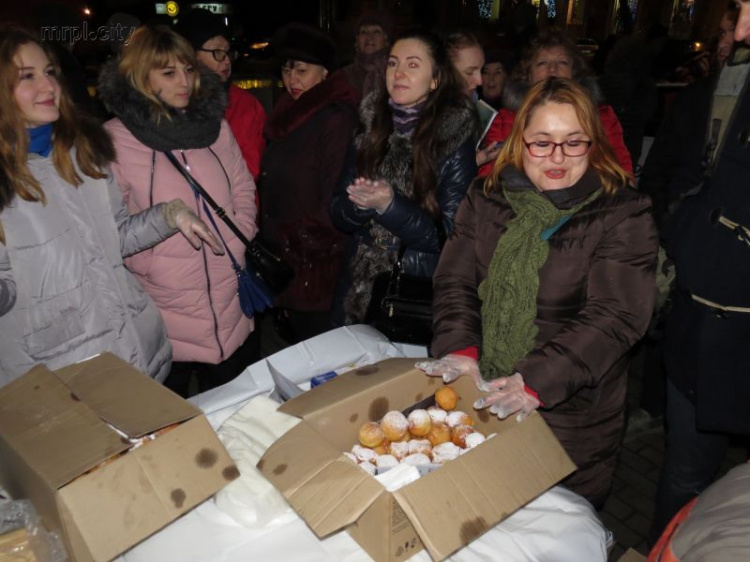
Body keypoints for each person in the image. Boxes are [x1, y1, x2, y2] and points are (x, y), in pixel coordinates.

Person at [417, 77, 658, 509]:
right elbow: (455, 282)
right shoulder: (485, 196)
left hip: (568, 417)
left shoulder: (622, 212)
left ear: (593, 142)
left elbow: (617, 315)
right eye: (542, 142)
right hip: (481, 394)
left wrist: (535, 380)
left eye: (574, 142)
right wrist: (461, 349)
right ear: (519, 141)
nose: (558, 157)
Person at [0, 26, 222, 386]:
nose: (48, 86)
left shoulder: (82, 153)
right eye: (27, 77)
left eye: (50, 72)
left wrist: (168, 216)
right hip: (60, 374)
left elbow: (113, 239)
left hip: (134, 346)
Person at [98, 25, 259, 397]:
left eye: (187, 69)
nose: (184, 81)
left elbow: (242, 185)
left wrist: (241, 234)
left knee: (238, 415)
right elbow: (109, 226)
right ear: (141, 77)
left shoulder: (215, 126)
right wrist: (152, 262)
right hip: (165, 309)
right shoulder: (114, 140)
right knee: (174, 429)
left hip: (230, 294)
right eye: (168, 73)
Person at [649, 2, 750, 543]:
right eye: (736, 15)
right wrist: (685, 236)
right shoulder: (706, 98)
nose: (738, 32)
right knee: (687, 472)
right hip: (702, 325)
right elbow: (666, 177)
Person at [330, 29, 479, 326]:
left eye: (412, 65)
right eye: (393, 63)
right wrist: (360, 204)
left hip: (412, 287)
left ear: (435, 78)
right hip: (356, 288)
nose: (398, 73)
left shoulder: (452, 138)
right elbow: (336, 211)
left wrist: (389, 205)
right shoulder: (371, 125)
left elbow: (450, 235)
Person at [260, 23, 358, 342]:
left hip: (315, 262)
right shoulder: (288, 112)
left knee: (316, 349)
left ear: (325, 73)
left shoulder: (335, 118)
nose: (293, 80)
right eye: (287, 70)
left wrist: (299, 238)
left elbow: (336, 194)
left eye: (302, 70)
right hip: (287, 258)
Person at [478, 28, 633, 177]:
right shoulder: (506, 120)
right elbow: (489, 182)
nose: (552, 69)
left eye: (562, 62)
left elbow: (622, 177)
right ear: (527, 74)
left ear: (574, 72)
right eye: (542, 63)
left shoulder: (601, 118)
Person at [176, 8, 266, 180]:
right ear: (189, 54)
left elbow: (249, 169)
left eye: (228, 52)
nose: (226, 60)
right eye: (217, 51)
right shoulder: (170, 101)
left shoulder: (245, 105)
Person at [445, 31, 501, 171]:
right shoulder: (426, 114)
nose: (480, 81)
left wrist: (475, 160)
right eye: (470, 72)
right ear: (446, 71)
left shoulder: (471, 106)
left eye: (480, 70)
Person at [341, 11, 393, 102]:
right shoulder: (344, 75)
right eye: (364, 32)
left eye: (376, 32)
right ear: (357, 40)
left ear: (386, 38)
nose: (369, 37)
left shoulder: (395, 72)